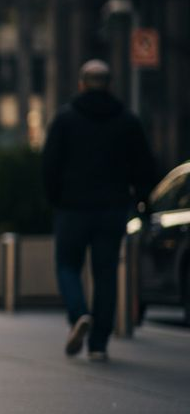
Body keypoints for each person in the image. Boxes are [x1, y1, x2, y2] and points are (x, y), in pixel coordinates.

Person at [42, 59, 157, 362]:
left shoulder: (65, 120)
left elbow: (49, 165)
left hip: (72, 208)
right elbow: (145, 167)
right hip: (112, 209)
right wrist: (143, 202)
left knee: (67, 265)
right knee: (105, 273)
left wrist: (54, 198)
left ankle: (79, 314)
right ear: (109, 85)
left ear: (81, 83)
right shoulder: (127, 121)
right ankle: (98, 344)